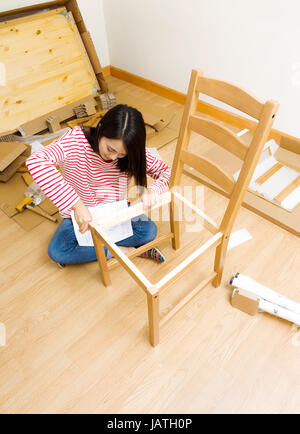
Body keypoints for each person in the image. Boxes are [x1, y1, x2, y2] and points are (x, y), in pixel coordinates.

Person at [26, 104, 171, 267]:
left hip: (115, 212)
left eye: (121, 154)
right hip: (82, 216)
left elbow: (166, 172)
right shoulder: (74, 142)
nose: (113, 157)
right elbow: (36, 161)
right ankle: (122, 251)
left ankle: (103, 249)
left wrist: (154, 190)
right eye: (110, 149)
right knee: (58, 251)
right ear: (101, 128)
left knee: (149, 231)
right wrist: (76, 204)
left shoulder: (130, 150)